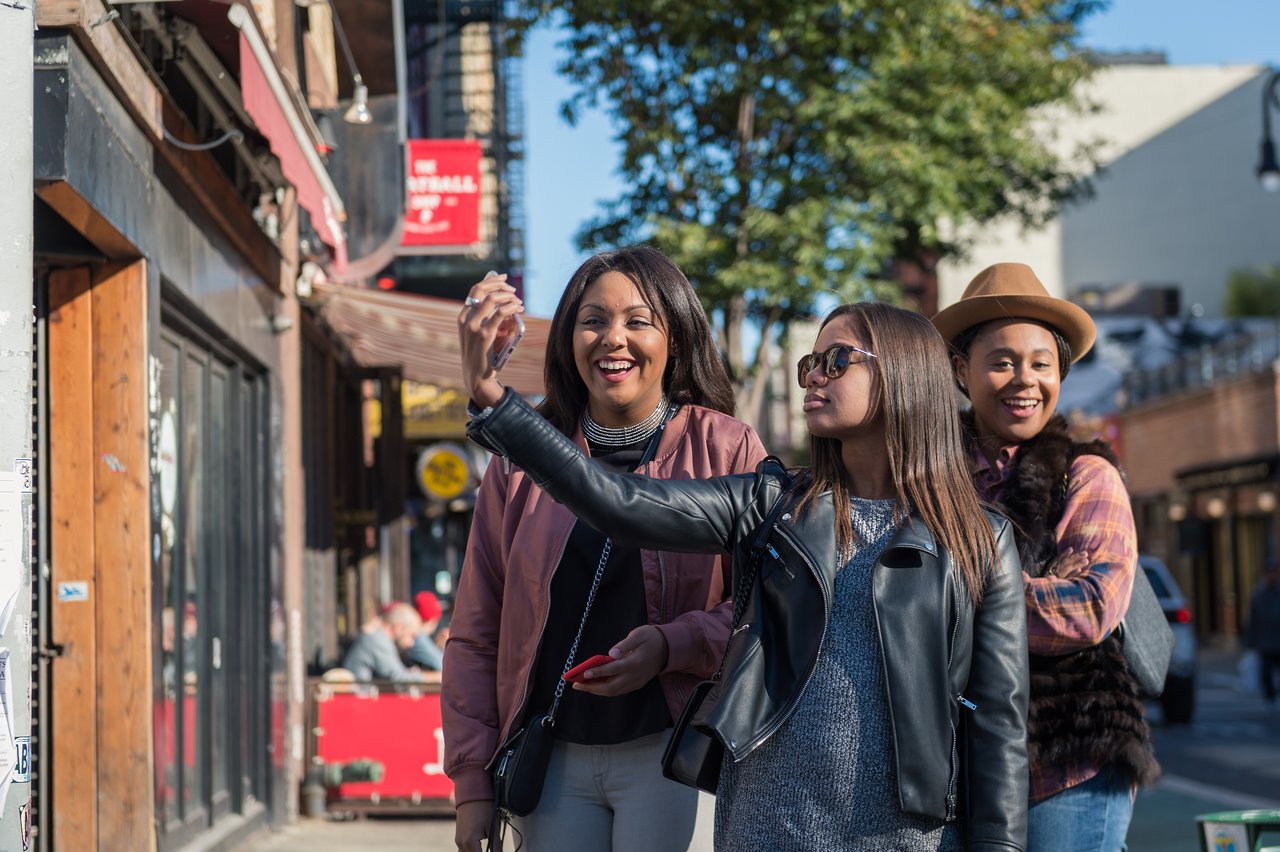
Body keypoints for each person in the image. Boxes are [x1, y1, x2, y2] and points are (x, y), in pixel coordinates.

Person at [458, 287, 1030, 851]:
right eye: (810, 362)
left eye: (837, 361)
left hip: (913, 838)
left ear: (907, 376)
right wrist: (493, 397)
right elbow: (615, 500)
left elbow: (999, 725)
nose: (813, 376)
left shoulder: (981, 538)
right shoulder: (772, 504)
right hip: (765, 826)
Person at [442, 247, 769, 852]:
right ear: (568, 338)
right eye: (592, 320)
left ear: (675, 335)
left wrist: (672, 645)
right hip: (552, 760)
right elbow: (476, 630)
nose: (612, 338)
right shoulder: (519, 461)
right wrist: (472, 782)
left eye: (637, 321)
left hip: (675, 756)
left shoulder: (726, 447)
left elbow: (762, 615)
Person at [931, 262, 1160, 852]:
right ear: (961, 370)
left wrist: (951, 593)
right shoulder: (926, 478)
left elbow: (1088, 608)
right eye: (1002, 361)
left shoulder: (1088, 473)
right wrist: (1030, 587)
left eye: (1041, 363)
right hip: (954, 760)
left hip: (1071, 756)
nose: (1023, 380)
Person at [341, 602, 427, 683]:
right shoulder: (378, 640)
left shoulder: (378, 636)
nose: (412, 643)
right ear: (398, 627)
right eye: (411, 636)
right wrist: (431, 677)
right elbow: (398, 678)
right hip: (360, 694)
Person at [1246, 560, 1280, 704]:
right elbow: (1252, 619)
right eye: (1269, 572)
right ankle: (1270, 697)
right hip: (1265, 641)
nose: (1271, 575)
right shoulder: (1258, 594)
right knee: (1266, 673)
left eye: (1274, 572)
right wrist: (1250, 641)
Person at [407, 590, 446, 672]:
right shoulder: (418, 637)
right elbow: (443, 666)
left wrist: (437, 645)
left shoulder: (416, 636)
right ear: (433, 620)